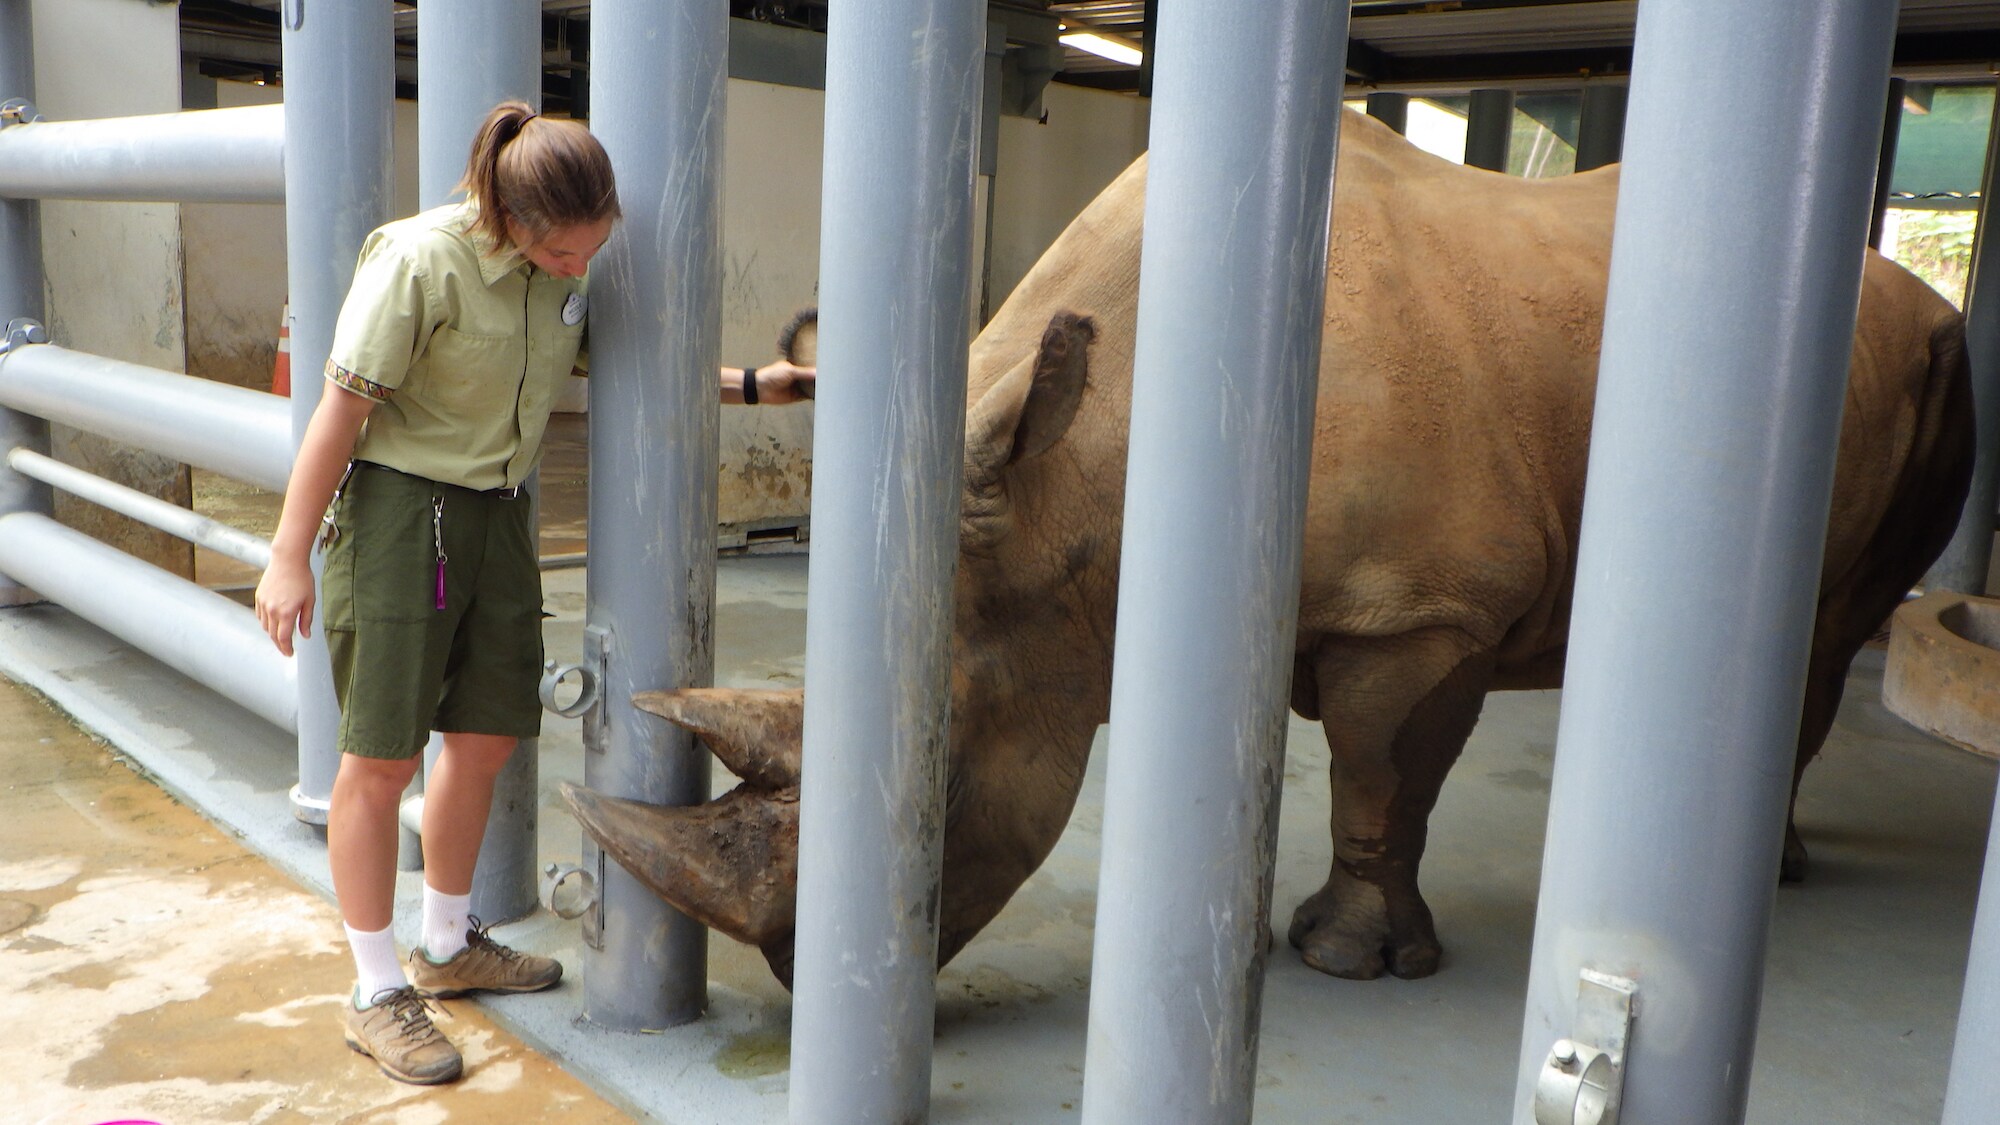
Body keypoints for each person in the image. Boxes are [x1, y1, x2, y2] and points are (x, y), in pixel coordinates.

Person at [255, 100, 813, 1086]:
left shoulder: (558, 268)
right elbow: (340, 408)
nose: (575, 270)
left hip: (498, 514)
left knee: (481, 741)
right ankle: (375, 990)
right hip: (398, 516)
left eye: (588, 254)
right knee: (378, 762)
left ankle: (446, 942)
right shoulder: (419, 262)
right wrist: (288, 553)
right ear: (510, 217)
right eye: (562, 254)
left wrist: (761, 386)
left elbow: (624, 363)